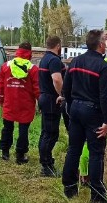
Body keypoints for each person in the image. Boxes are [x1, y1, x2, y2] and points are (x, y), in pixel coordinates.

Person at [61, 30, 107, 203]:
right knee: (96, 153)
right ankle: (97, 196)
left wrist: (70, 105)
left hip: (75, 108)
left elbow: (66, 89)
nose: (106, 43)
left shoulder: (75, 61)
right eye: (105, 40)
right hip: (93, 112)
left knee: (73, 149)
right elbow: (105, 96)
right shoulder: (104, 66)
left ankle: (69, 189)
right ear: (100, 45)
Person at [0, 42, 40, 164]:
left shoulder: (6, 66)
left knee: (7, 128)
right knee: (23, 130)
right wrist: (40, 103)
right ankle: (20, 155)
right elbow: (37, 89)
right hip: (25, 105)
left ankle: (5, 152)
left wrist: (1, 99)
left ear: (18, 51)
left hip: (9, 102)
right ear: (30, 53)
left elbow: (0, 85)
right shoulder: (33, 69)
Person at [38, 36, 68, 177]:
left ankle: (47, 162)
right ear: (58, 46)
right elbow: (56, 79)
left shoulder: (44, 59)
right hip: (51, 99)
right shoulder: (54, 60)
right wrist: (62, 94)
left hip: (44, 97)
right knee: (51, 134)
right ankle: (46, 166)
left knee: (45, 132)